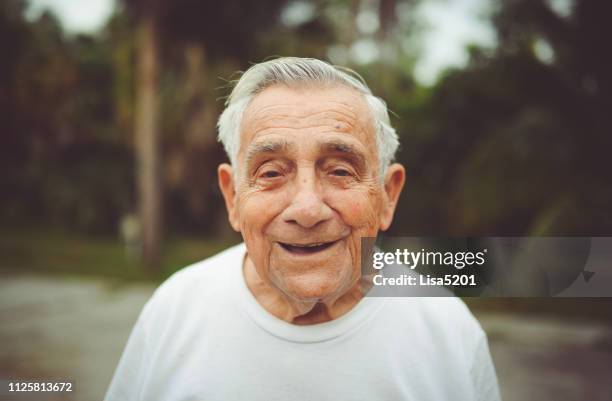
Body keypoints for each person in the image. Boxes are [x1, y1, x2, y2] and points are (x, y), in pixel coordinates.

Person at [104, 57, 501, 401]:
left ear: (387, 196)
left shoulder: (448, 330)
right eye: (272, 172)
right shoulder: (174, 310)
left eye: (341, 170)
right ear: (232, 197)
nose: (307, 209)